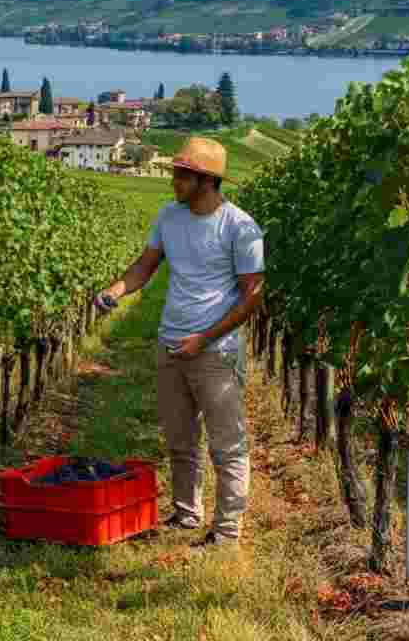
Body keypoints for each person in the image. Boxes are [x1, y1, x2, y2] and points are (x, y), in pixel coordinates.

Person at [96, 137, 264, 549]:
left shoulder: (239, 227)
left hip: (215, 352)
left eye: (180, 174)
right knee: (180, 439)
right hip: (170, 344)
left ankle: (226, 533)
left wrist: (204, 339)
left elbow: (253, 296)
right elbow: (145, 266)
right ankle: (187, 515)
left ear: (206, 180)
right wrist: (116, 290)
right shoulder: (169, 217)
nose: (172, 180)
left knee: (227, 444)